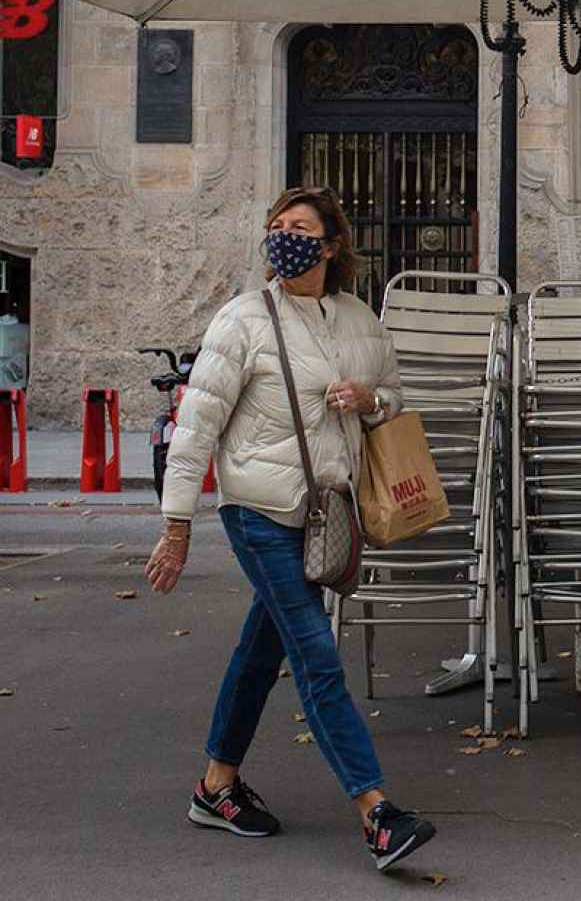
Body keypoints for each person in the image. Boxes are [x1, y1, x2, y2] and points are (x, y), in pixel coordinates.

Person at [143, 187, 435, 871]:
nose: (285, 237)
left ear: (331, 245)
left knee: (260, 650)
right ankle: (377, 814)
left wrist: (369, 399)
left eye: (300, 228)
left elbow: (394, 394)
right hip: (259, 511)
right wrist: (176, 525)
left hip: (324, 514)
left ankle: (216, 787)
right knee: (315, 654)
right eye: (276, 227)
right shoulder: (242, 321)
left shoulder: (360, 319)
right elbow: (197, 426)